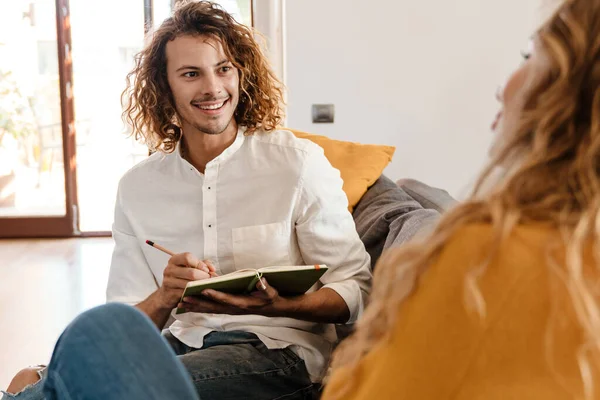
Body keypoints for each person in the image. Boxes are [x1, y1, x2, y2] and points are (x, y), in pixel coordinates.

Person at [1, 1, 371, 399]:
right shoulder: (137, 188)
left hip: (276, 352)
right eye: (191, 74)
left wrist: (276, 305)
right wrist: (164, 296)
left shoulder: (297, 165)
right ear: (165, 87)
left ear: (241, 74)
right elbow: (126, 322)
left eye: (224, 68)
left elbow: (355, 289)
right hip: (176, 347)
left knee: (80, 388)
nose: (212, 87)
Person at [322, 0, 600, 398]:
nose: (501, 87)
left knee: (410, 213)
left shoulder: (487, 256)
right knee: (418, 200)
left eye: (530, 54)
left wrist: (361, 349)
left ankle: (412, 193)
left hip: (434, 236)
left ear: (568, 94)